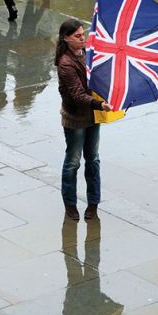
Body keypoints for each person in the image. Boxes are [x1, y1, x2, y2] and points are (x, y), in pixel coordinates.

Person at [55, 18, 112, 220]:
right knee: (73, 162)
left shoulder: (88, 54)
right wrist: (100, 104)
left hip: (93, 117)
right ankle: (70, 204)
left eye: (83, 34)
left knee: (93, 160)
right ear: (66, 38)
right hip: (76, 119)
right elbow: (78, 95)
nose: (83, 39)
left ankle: (93, 203)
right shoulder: (65, 64)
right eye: (78, 36)